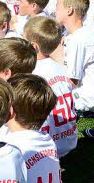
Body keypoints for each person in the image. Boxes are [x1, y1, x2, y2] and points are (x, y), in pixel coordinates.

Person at [24, 16, 78, 157]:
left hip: (47, 146)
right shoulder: (62, 68)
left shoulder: (33, 73)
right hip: (69, 139)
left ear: (34, 47)